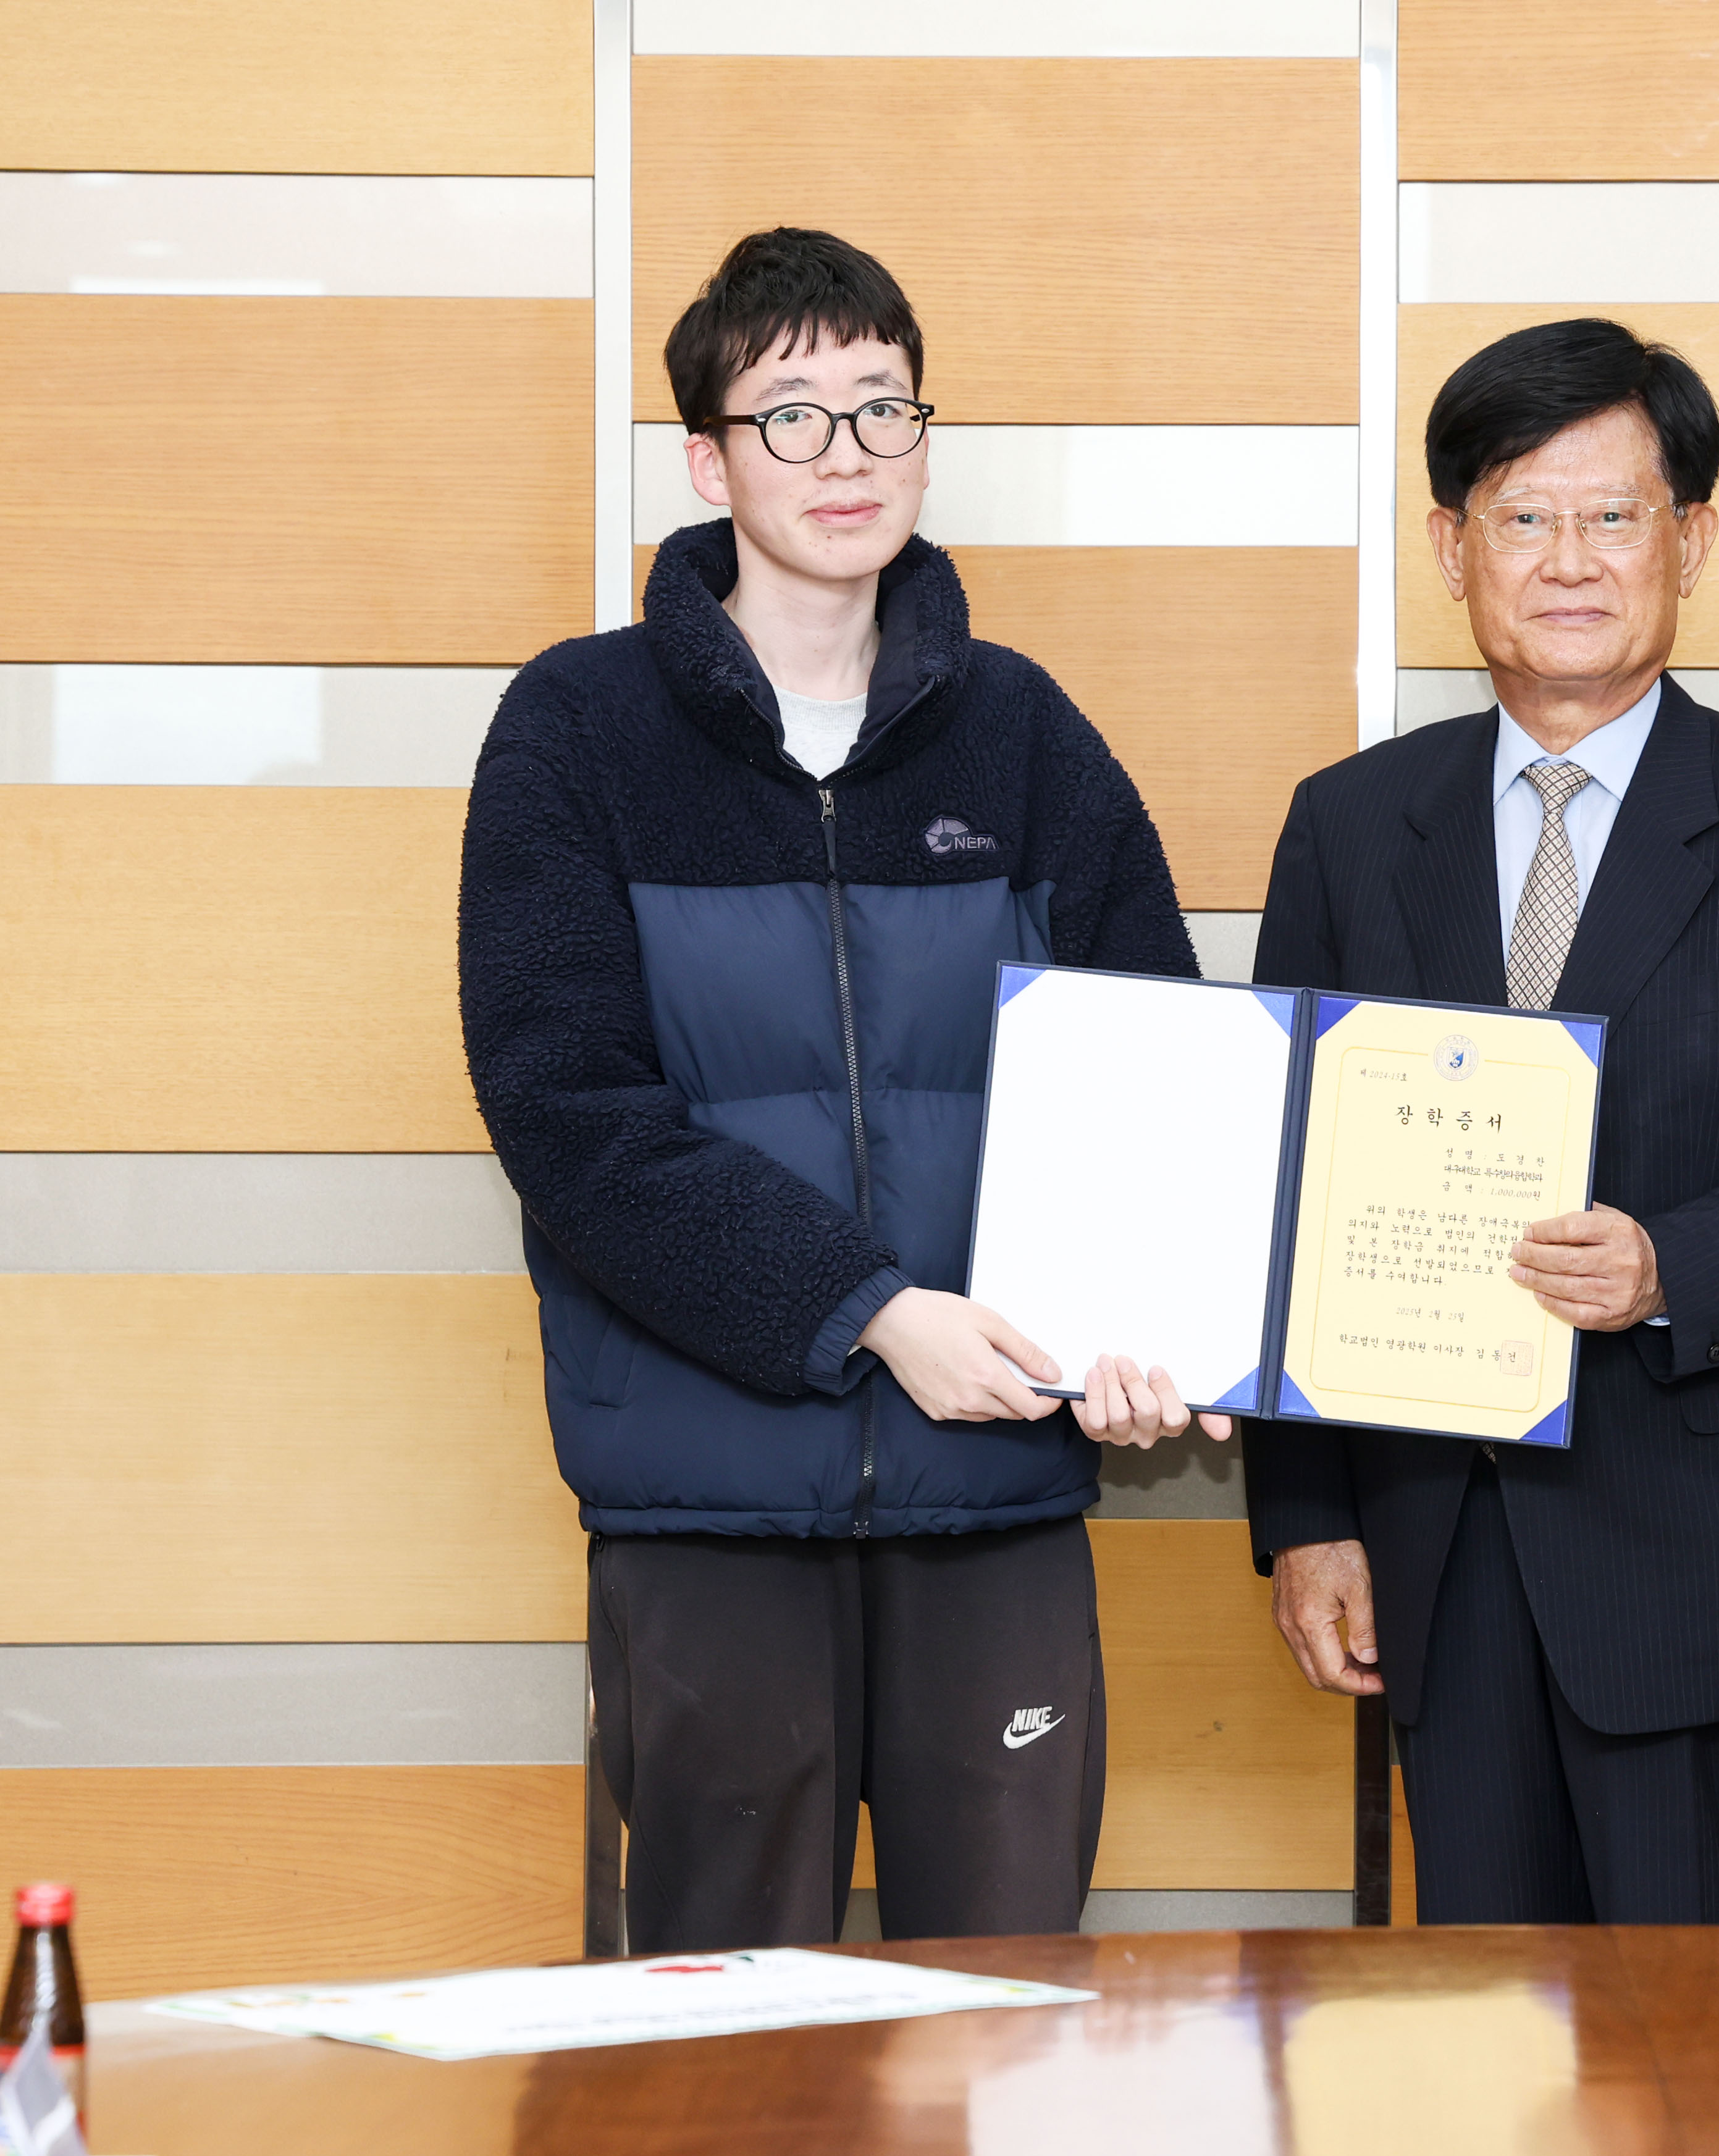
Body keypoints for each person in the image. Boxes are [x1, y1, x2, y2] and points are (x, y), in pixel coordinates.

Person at [458, 227, 1227, 1953]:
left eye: (884, 407)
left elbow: (1157, 1070)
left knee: (1008, 2026)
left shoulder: (1023, 733)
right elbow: (568, 1112)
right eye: (791, 414)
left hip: (996, 1496)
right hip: (708, 1505)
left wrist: (1159, 1328)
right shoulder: (581, 729)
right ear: (707, 460)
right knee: (721, 2043)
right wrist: (872, 1311)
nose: (846, 455)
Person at [1243, 318, 1719, 1926]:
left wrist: (1668, 1267)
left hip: (1711, 1567)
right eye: (1522, 515)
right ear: (1453, 549)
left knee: (1716, 2046)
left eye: (1613, 515)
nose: (1567, 559)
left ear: (1688, 541)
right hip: (1442, 1562)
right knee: (1487, 2036)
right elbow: (1287, 1189)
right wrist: (1306, 1520)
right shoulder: (1352, 826)